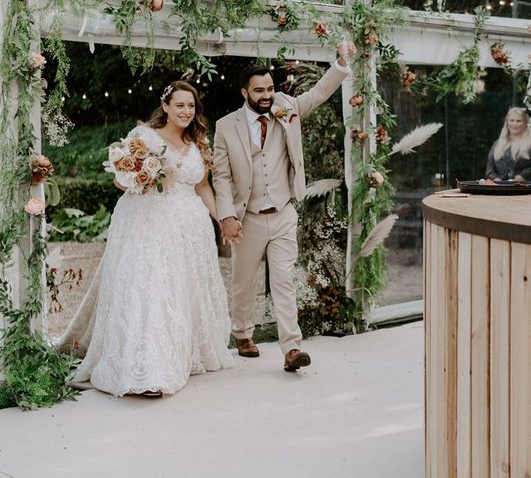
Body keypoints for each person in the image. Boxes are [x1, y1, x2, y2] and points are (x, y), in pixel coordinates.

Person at [58, 81, 234, 397]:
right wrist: (143, 177)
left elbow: (203, 187)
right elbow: (120, 179)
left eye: (191, 106)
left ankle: (176, 354)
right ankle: (145, 368)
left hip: (189, 231)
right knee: (149, 288)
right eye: (179, 105)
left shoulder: (199, 143)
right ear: (165, 106)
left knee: (180, 292)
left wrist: (222, 219)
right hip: (148, 223)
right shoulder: (143, 138)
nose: (186, 111)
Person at [213, 42, 355, 372]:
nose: (267, 95)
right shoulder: (226, 126)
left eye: (270, 88)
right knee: (243, 281)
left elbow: (318, 94)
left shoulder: (286, 108)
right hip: (246, 217)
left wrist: (340, 64)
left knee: (284, 282)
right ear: (244, 92)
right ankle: (242, 334)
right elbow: (220, 176)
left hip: (283, 213)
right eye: (259, 90)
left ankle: (292, 349)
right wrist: (227, 216)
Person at [485, 107, 531, 182]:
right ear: (507, 123)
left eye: (518, 121)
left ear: (525, 123)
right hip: (498, 189)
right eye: (512, 120)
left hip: (522, 188)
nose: (514, 124)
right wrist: (497, 181)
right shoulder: (496, 144)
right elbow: (489, 170)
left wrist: (521, 177)